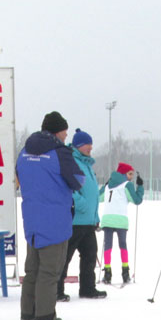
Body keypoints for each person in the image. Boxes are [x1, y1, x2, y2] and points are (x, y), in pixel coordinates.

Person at [16, 111, 84, 320]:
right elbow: (78, 180)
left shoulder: (24, 152)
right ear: (56, 132)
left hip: (32, 219)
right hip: (55, 221)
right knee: (50, 270)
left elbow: (18, 176)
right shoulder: (60, 153)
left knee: (32, 269)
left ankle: (27, 313)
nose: (66, 137)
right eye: (64, 133)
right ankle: (45, 316)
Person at [57, 128, 107, 300]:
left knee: (90, 255)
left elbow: (92, 193)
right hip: (75, 220)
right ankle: (57, 290)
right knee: (65, 257)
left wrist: (95, 216)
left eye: (91, 145)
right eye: (87, 145)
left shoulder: (87, 164)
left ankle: (87, 288)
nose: (90, 148)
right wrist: (81, 204)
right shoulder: (72, 161)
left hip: (88, 221)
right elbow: (68, 189)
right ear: (78, 145)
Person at [99, 162, 144, 284]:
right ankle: (125, 273)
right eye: (130, 174)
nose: (131, 177)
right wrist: (140, 187)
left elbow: (98, 197)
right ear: (124, 174)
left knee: (107, 246)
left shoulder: (108, 185)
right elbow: (136, 200)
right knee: (123, 246)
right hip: (120, 220)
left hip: (107, 219)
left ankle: (107, 274)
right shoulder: (127, 185)